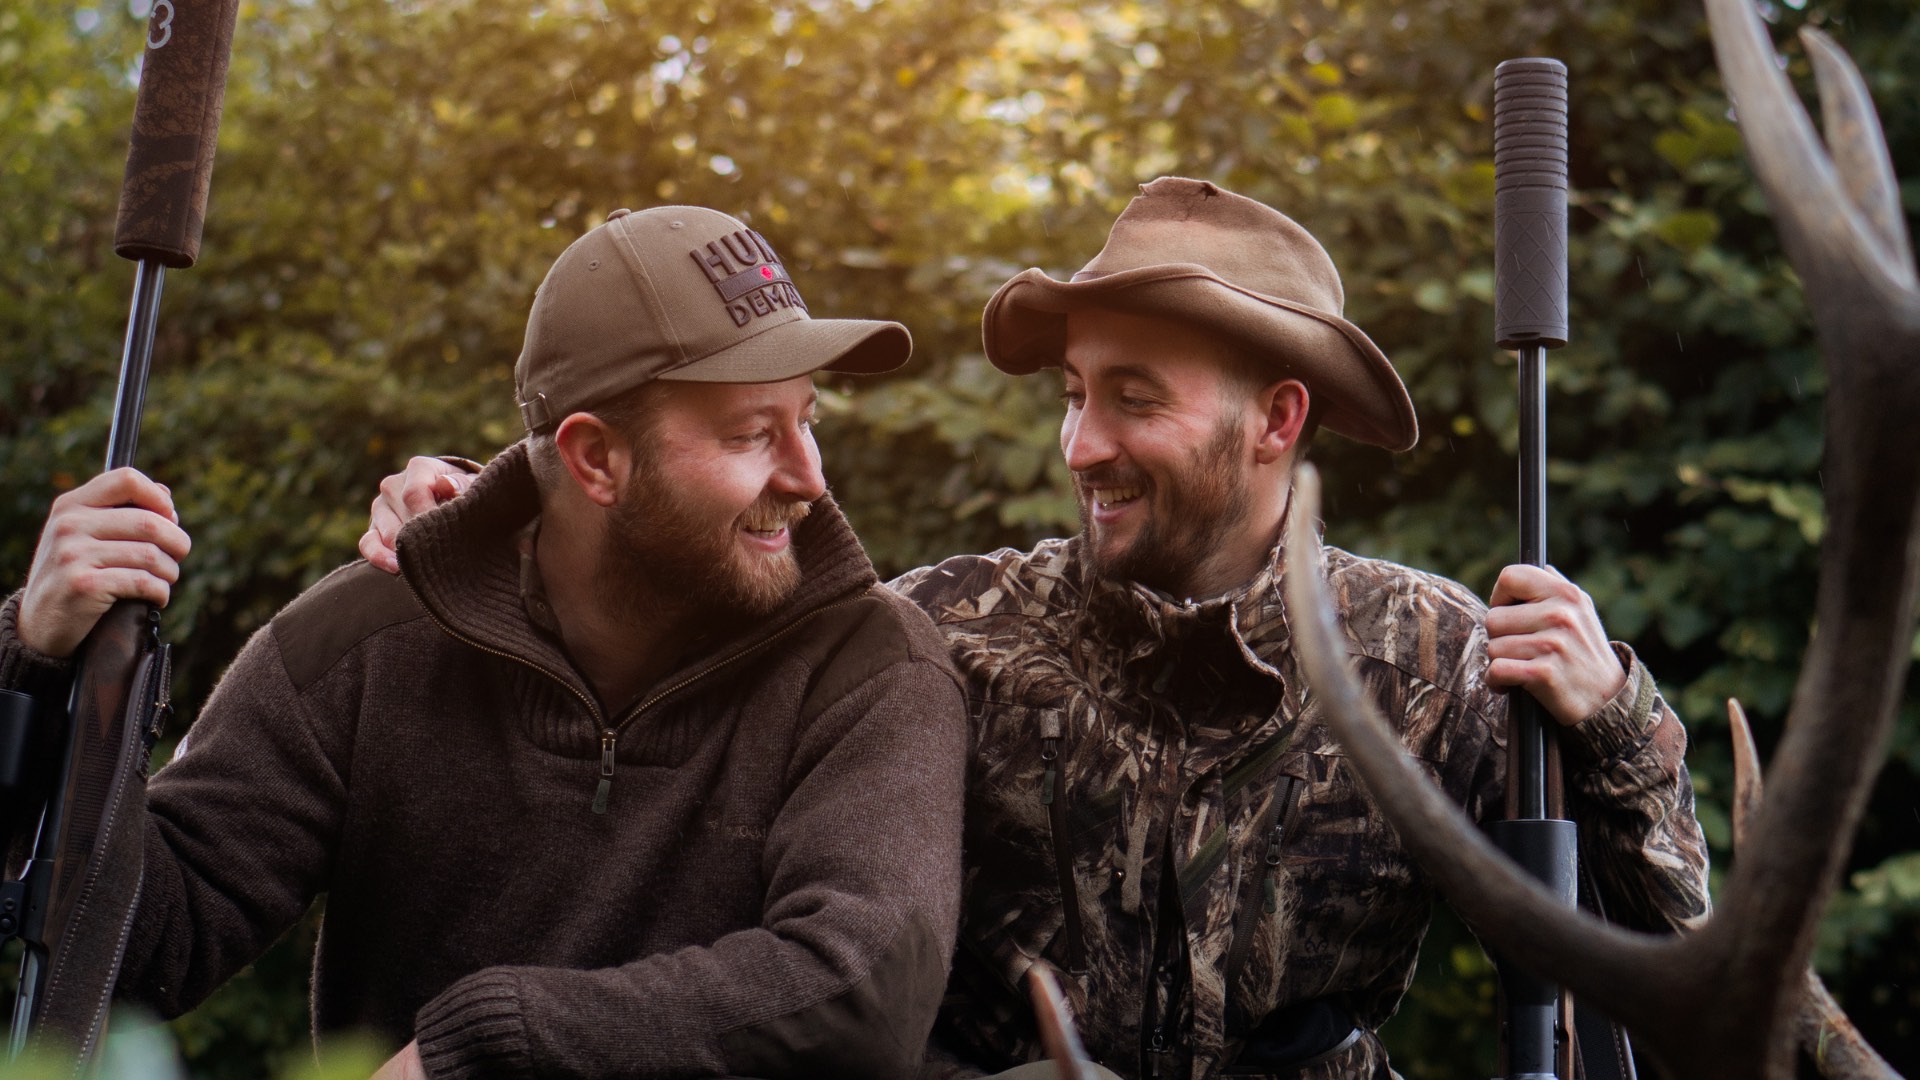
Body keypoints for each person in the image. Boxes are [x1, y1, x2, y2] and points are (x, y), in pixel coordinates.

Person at [364, 179, 1711, 1079]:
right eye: (1072, 394)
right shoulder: (939, 636)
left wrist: (1618, 728)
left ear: (1279, 421)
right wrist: (495, 526)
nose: (1081, 444)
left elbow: (1676, 978)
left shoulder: (1439, 659)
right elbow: (676, 632)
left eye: (1132, 398)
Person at [2, 205, 969, 1079]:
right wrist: (37, 662)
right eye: (754, 432)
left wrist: (488, 1052)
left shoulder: (874, 668)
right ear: (596, 458)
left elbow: (859, 990)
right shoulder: (364, 644)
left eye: (809, 418)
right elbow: (131, 949)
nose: (809, 475)